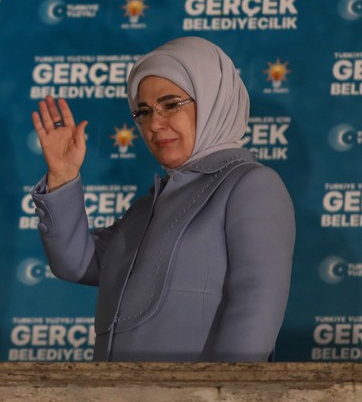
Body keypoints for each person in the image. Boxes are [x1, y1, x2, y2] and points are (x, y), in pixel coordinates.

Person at [30, 37, 295, 361]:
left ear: (213, 99)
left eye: (171, 104)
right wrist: (63, 176)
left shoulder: (250, 185)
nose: (154, 124)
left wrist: (225, 391)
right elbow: (75, 264)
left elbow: (258, 303)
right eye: (143, 111)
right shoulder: (147, 207)